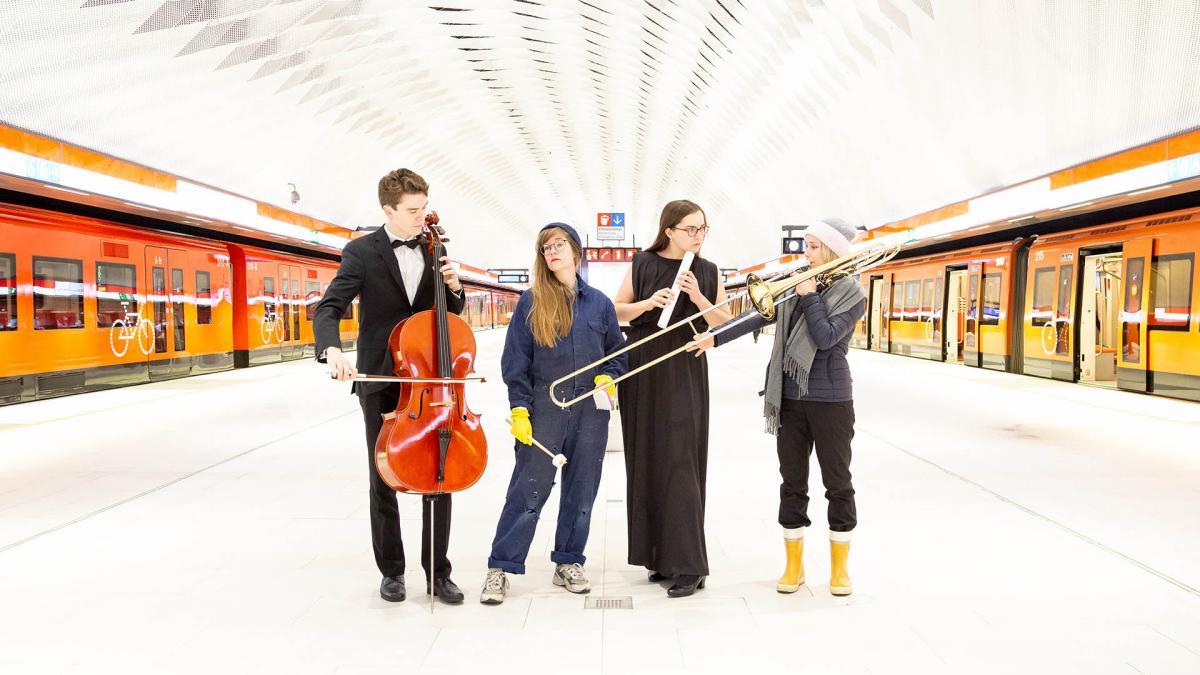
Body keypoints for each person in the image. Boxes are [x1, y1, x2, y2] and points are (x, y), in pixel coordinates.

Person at [313, 168, 467, 605]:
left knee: (439, 474)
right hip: (382, 382)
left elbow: (449, 318)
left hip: (431, 383)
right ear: (388, 210)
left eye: (424, 209)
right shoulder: (361, 252)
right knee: (384, 476)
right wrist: (332, 351)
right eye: (413, 211)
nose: (422, 218)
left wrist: (455, 289)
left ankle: (439, 573)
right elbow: (329, 307)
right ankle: (392, 572)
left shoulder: (436, 250)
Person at [689, 217, 866, 596]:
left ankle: (839, 571)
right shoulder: (796, 282)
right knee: (792, 483)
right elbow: (757, 315)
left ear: (833, 250)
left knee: (837, 483)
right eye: (807, 245)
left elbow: (826, 336)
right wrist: (714, 340)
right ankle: (793, 566)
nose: (807, 252)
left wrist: (810, 296)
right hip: (788, 398)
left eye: (815, 246)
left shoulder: (852, 293)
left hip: (832, 400)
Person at [480, 223, 627, 605]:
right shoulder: (531, 303)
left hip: (591, 413)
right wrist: (519, 409)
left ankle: (568, 561)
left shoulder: (601, 304)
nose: (552, 251)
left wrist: (608, 377)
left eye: (560, 244)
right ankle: (501, 567)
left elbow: (618, 354)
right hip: (544, 411)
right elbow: (516, 362)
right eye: (546, 247)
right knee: (528, 491)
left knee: (581, 493)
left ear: (577, 252)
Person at [612, 200, 731, 598]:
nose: (698, 237)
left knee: (682, 460)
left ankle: (690, 565)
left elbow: (723, 321)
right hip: (642, 365)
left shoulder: (708, 270)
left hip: (683, 364)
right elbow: (616, 311)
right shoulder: (642, 263)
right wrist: (648, 304)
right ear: (670, 231)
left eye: (702, 229)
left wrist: (698, 297)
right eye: (691, 229)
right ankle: (658, 557)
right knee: (647, 457)